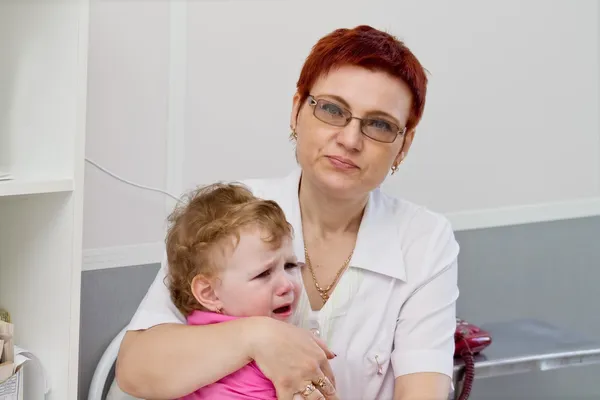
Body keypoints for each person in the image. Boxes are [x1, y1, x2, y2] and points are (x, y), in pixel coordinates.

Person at [116, 24, 460, 400]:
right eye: (332, 109)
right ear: (297, 111)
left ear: (403, 145)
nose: (349, 140)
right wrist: (256, 336)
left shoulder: (424, 239)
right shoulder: (231, 212)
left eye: (379, 124)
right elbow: (135, 369)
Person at [165, 182, 316, 399]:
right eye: (263, 274)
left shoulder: (192, 344)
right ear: (210, 293)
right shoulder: (241, 379)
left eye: (290, 266)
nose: (287, 285)